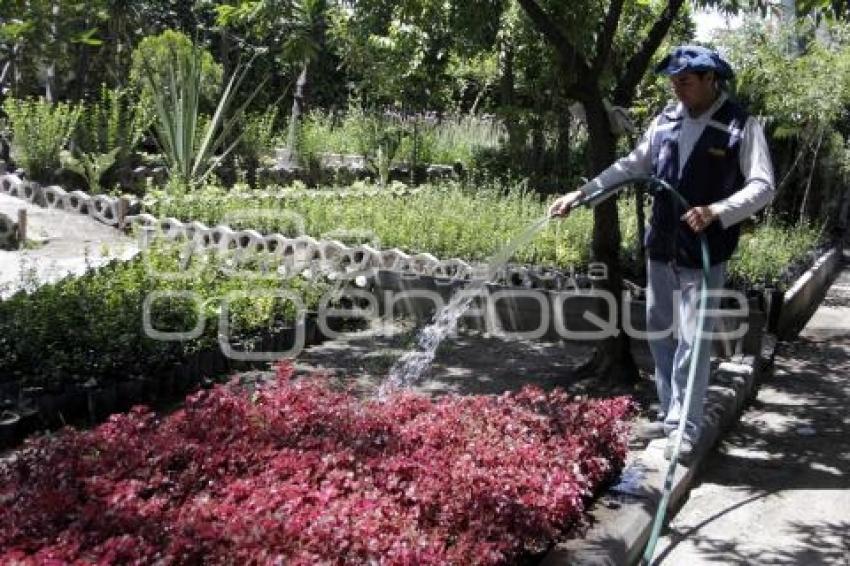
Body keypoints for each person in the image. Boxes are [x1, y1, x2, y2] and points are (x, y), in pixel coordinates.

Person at [549, 45, 775, 462]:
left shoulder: (741, 126)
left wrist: (717, 211)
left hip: (704, 253)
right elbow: (631, 166)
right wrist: (580, 195)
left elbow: (763, 186)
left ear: (711, 79)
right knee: (659, 335)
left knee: (693, 341)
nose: (678, 91)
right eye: (673, 83)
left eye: (685, 82)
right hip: (662, 248)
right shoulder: (666, 121)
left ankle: (686, 428)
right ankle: (672, 415)